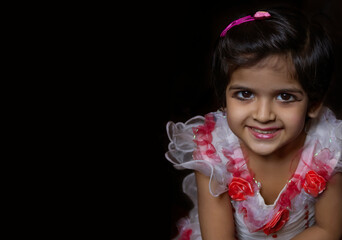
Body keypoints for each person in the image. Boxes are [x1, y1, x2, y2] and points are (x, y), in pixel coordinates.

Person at [165, 6, 342, 240]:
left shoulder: (326, 148)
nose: (263, 115)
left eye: (285, 96)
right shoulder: (214, 153)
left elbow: (328, 229)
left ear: (313, 104)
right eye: (245, 94)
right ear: (223, 99)